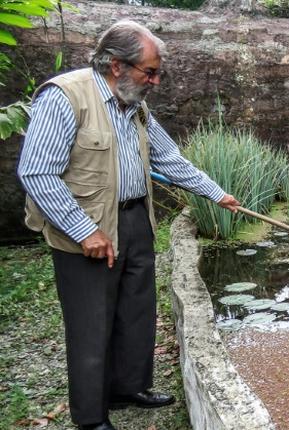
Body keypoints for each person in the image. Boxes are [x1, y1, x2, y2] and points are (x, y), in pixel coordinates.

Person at [17, 20, 240, 430]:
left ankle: (128, 387)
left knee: (136, 310)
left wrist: (217, 194)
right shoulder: (66, 96)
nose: (155, 80)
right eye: (149, 72)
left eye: (156, 73)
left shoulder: (133, 103)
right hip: (86, 227)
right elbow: (37, 173)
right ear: (117, 65)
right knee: (91, 323)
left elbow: (168, 158)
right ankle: (91, 417)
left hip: (136, 218)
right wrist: (83, 230)